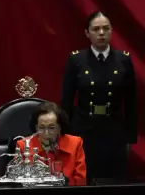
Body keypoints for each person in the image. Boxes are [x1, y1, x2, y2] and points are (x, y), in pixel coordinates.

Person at [61, 11, 137, 183]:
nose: (101, 33)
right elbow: (66, 99)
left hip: (114, 127)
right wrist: (65, 135)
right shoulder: (77, 60)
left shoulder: (123, 59)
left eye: (105, 28)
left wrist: (130, 137)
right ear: (87, 33)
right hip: (84, 127)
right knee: (85, 176)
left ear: (111, 31)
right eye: (96, 29)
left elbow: (131, 101)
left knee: (114, 178)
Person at [15, 102, 86, 185]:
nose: (46, 132)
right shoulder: (24, 145)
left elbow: (80, 181)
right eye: (41, 128)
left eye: (51, 128)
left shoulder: (75, 144)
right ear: (36, 127)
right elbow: (18, 181)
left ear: (59, 127)